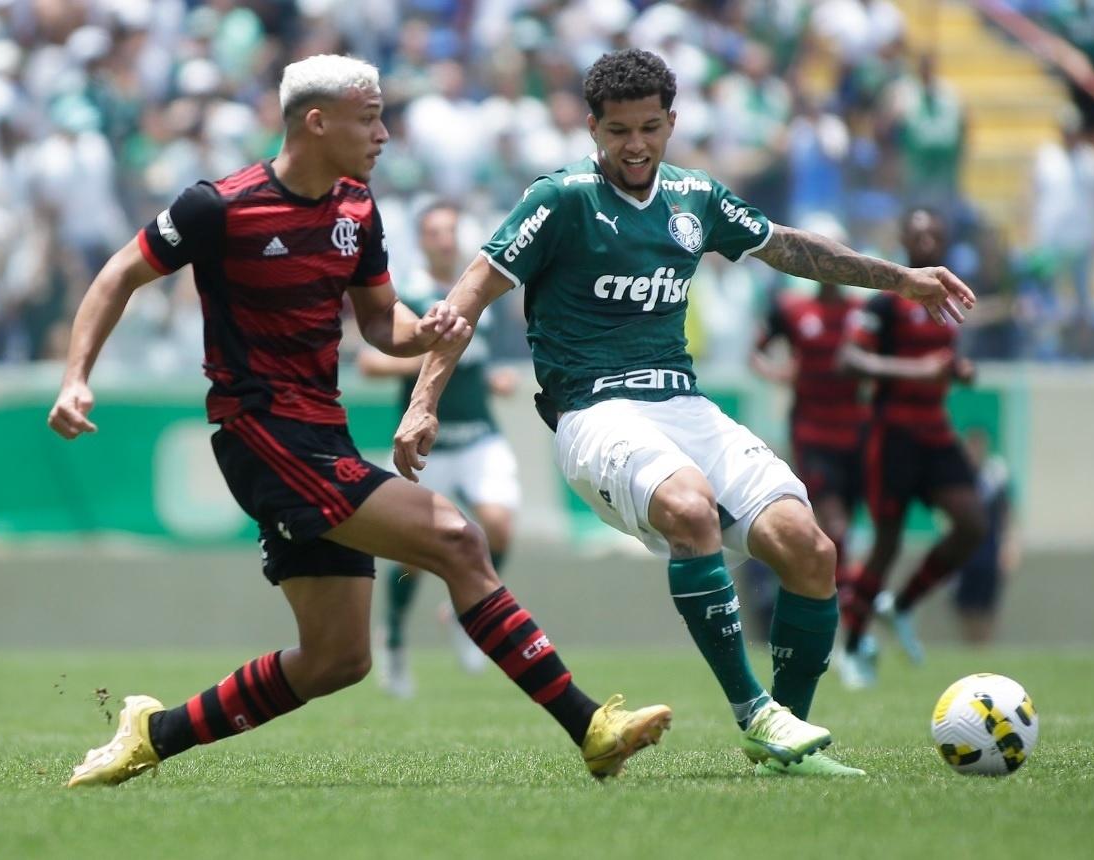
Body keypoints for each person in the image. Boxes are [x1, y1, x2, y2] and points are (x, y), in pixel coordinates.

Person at [48, 55, 671, 788]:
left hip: (322, 431)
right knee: (457, 537)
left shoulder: (356, 208)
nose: (383, 133)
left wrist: (427, 330)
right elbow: (121, 272)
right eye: (369, 117)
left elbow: (381, 323)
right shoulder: (218, 206)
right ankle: (590, 726)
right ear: (317, 121)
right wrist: (75, 377)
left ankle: (153, 734)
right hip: (262, 432)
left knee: (337, 658)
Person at [393, 50, 975, 777]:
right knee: (690, 508)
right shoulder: (561, 199)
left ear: (671, 121)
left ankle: (784, 739)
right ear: (592, 128)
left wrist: (900, 281)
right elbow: (469, 297)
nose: (634, 145)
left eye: (649, 127)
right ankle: (753, 711)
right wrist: (423, 403)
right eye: (617, 131)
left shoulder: (694, 197)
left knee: (811, 548)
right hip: (594, 412)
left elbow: (790, 248)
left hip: (684, 405)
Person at [358, 200, 521, 697]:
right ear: (423, 239)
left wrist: (488, 377)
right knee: (413, 555)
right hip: (425, 446)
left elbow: (477, 357)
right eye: (435, 233)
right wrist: (431, 359)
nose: (445, 241)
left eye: (451, 231)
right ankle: (395, 638)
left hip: (478, 436)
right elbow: (369, 363)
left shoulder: (479, 292)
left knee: (499, 524)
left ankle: (464, 611)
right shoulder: (408, 294)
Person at [836, 207, 987, 688]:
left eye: (934, 232)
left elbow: (942, 360)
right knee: (886, 544)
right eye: (916, 232)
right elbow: (849, 360)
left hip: (935, 431)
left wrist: (957, 371)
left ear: (943, 240)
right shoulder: (886, 302)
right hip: (892, 433)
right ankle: (854, 646)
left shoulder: (946, 300)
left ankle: (899, 606)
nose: (925, 240)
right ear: (903, 239)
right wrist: (916, 371)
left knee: (973, 524)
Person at [749, 221, 868, 594]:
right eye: (824, 254)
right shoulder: (793, 309)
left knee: (843, 523)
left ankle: (838, 601)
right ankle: (845, 601)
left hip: (855, 431)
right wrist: (781, 374)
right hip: (812, 430)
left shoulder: (863, 313)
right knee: (834, 523)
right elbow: (756, 350)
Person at [952, 427, 1016, 646]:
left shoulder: (995, 477)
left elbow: (1007, 513)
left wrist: (1009, 545)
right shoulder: (959, 478)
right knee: (965, 603)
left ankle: (984, 645)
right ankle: (970, 643)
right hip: (965, 551)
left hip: (989, 550)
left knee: (987, 603)